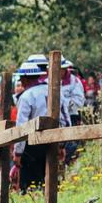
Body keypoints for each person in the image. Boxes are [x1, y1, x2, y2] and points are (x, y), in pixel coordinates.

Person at [13, 61, 71, 193]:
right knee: (50, 183)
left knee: (30, 185)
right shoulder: (55, 92)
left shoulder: (26, 96)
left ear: (24, 79)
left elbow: (21, 127)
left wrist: (18, 152)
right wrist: (62, 145)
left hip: (32, 146)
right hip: (53, 141)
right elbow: (66, 119)